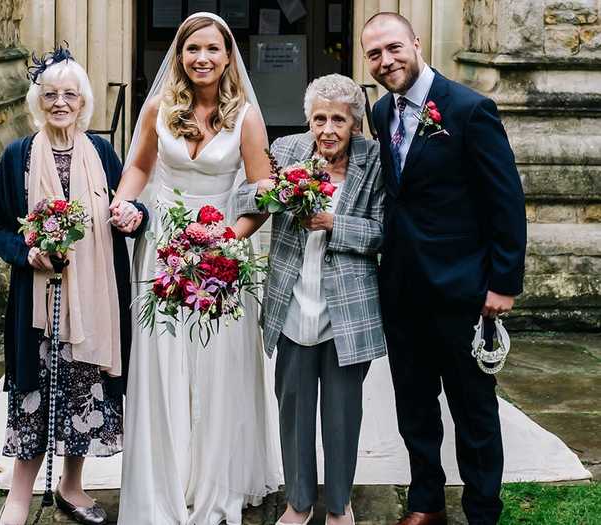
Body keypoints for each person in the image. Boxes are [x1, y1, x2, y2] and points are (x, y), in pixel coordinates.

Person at [109, 12, 281, 525]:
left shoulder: (245, 116)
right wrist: (124, 203)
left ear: (228, 56)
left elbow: (262, 193)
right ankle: (166, 477)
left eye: (212, 49)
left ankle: (215, 478)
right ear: (179, 56)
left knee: (218, 367)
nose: (201, 58)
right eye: (192, 49)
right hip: (162, 249)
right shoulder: (160, 109)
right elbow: (138, 166)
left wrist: (226, 240)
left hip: (224, 254)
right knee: (163, 365)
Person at [361, 12, 527, 525]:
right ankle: (426, 502)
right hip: (403, 288)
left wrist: (503, 283)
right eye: (374, 54)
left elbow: (506, 202)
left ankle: (481, 510)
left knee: (473, 410)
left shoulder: (471, 109)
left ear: (415, 42)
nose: (386, 61)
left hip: (463, 288)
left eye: (393, 48)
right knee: (414, 405)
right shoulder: (382, 111)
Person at [0, 48, 148, 525]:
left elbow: (132, 210)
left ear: (83, 101)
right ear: (38, 100)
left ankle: (72, 485)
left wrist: (133, 216)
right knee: (34, 395)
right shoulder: (18, 157)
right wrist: (26, 251)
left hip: (96, 300)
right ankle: (20, 493)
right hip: (40, 302)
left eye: (69, 94)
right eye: (49, 94)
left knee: (84, 392)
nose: (59, 102)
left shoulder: (104, 153)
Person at [234, 74, 385, 525]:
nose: (328, 130)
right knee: (294, 407)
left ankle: (339, 505)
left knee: (342, 412)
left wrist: (335, 222)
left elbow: (385, 230)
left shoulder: (373, 160)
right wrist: (279, 192)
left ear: (355, 123)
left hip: (348, 308)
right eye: (319, 118)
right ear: (308, 121)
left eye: (338, 119)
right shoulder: (286, 151)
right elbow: (245, 195)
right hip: (294, 299)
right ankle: (299, 503)